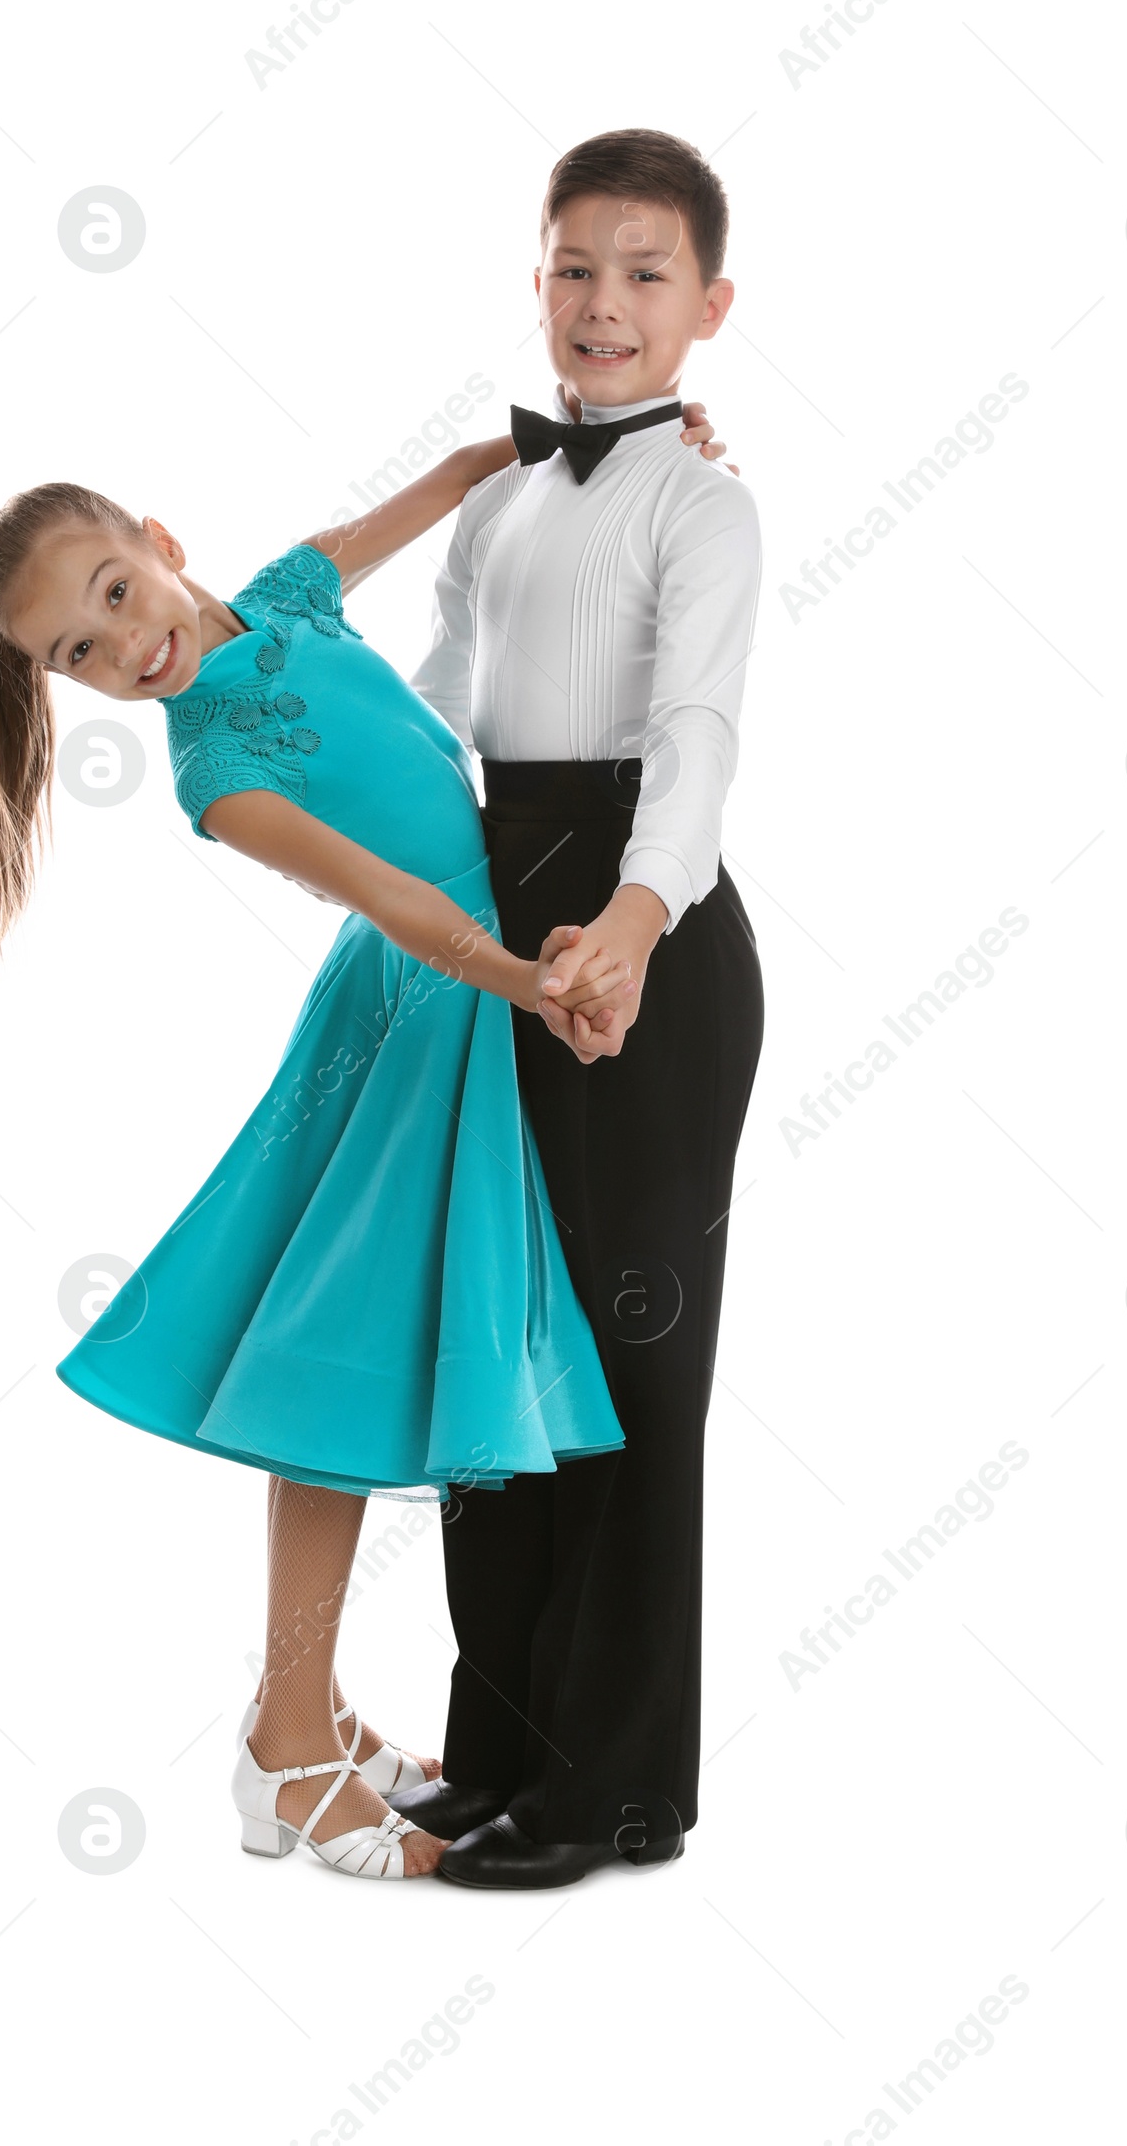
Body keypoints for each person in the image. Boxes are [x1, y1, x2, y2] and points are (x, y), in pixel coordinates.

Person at [0, 410, 736, 1881]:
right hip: (428, 1008)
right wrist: (540, 986)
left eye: (116, 595)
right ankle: (289, 1742)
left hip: (466, 995)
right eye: (79, 658)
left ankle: (300, 1716)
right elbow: (409, 907)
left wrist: (622, 450)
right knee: (340, 1363)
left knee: (378, 1350)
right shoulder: (215, 770)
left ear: (160, 544)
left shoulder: (289, 594)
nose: (127, 651)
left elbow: (436, 487)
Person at [389, 128, 766, 1889]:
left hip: (647, 935)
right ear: (533, 278)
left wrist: (622, 922)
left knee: (627, 1363)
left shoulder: (707, 500)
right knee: (496, 1341)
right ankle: (499, 1752)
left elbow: (694, 735)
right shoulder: (496, 496)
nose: (604, 303)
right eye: (574, 267)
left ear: (708, 306)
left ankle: (614, 1785)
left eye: (644, 273)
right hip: (488, 926)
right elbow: (429, 710)